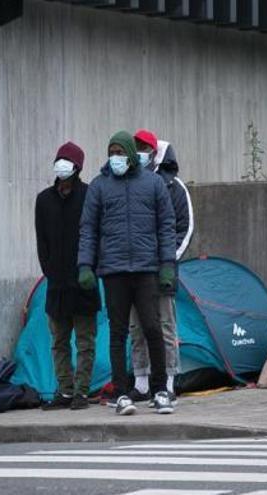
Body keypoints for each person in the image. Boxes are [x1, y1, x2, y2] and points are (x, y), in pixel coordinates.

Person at [78, 130, 177, 415]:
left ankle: (160, 391)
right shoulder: (99, 186)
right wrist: (85, 265)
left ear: (132, 155)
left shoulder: (154, 183)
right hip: (113, 271)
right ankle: (121, 394)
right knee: (118, 333)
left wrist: (167, 265)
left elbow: (166, 225)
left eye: (121, 152)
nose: (116, 158)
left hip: (147, 269)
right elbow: (88, 230)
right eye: (112, 152)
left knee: (152, 328)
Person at [126, 130, 194, 406]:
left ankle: (167, 382)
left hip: (162, 271)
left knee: (165, 325)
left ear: (155, 152)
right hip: (134, 270)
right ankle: (141, 382)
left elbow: (184, 229)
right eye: (136, 147)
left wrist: (167, 261)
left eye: (145, 148)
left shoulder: (175, 188)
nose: (140, 152)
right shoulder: (128, 184)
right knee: (136, 327)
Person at [34, 141, 101, 411]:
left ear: (78, 168)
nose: (62, 165)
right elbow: (42, 242)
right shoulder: (44, 200)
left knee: (85, 341)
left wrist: (91, 270)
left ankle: (81, 391)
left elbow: (96, 236)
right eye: (59, 159)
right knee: (59, 342)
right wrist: (49, 271)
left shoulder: (89, 196)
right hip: (56, 286)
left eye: (68, 161)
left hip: (84, 283)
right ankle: (64, 390)